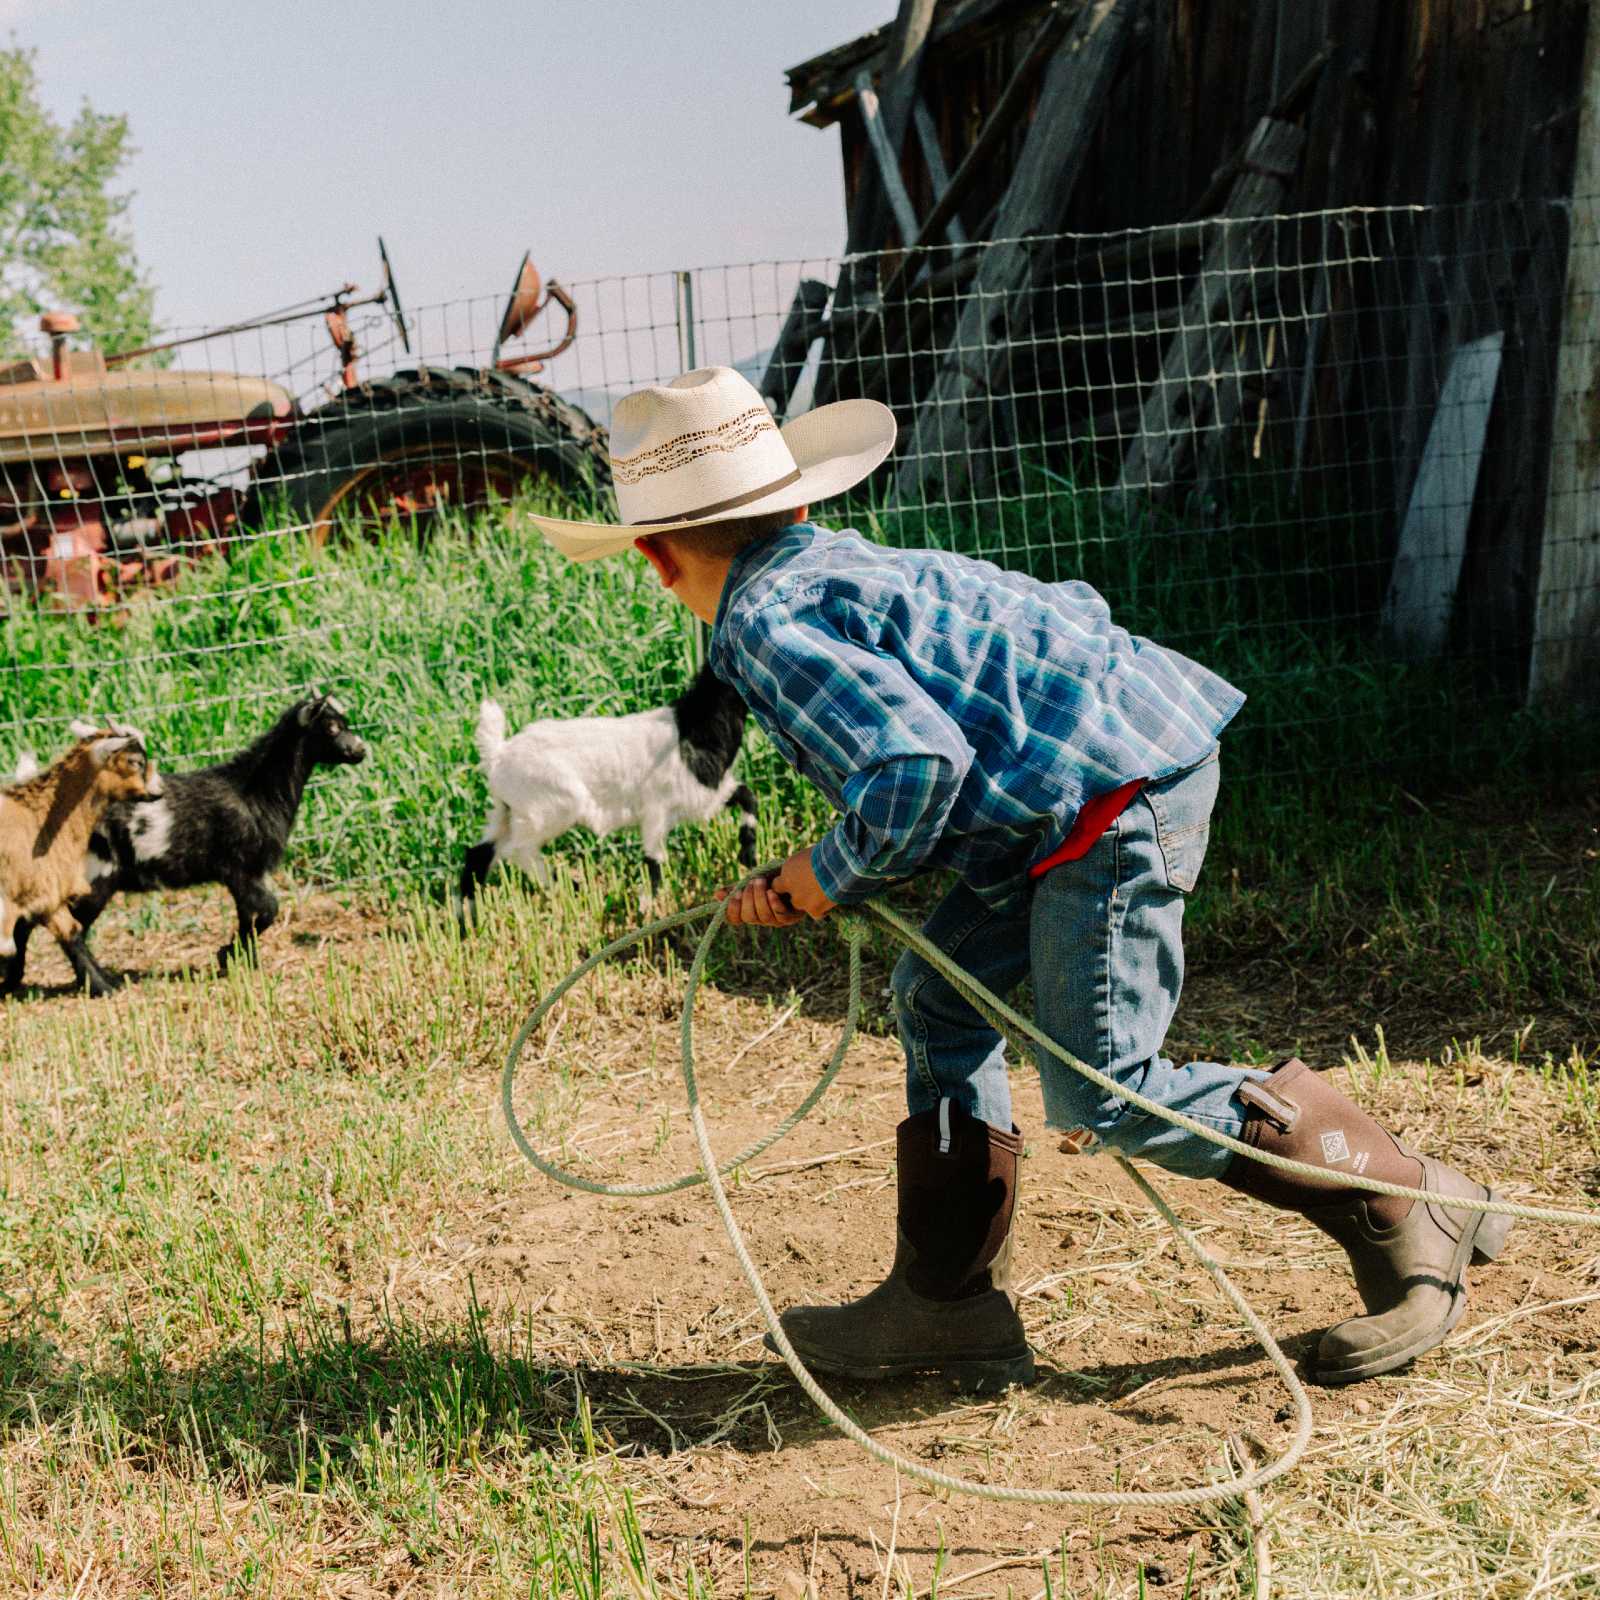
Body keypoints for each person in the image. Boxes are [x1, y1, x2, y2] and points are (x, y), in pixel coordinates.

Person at [529, 365, 1511, 1390]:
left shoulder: (761, 628)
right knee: (939, 1000)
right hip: (1082, 782)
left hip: (1103, 806)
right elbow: (1040, 628)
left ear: (653, 558)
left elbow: (918, 768)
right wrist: (832, 860)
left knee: (1104, 1087)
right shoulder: (835, 564)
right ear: (800, 501)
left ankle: (1403, 1200)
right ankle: (945, 1305)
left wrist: (826, 872)